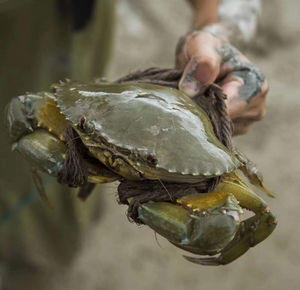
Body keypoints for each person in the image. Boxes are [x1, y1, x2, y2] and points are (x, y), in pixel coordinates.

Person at [0, 0, 267, 289]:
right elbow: (25, 109)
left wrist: (214, 28)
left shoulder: (219, 168)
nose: (116, 159)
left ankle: (38, 261)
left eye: (150, 158)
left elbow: (255, 219)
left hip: (77, 12)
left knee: (48, 230)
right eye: (91, 129)